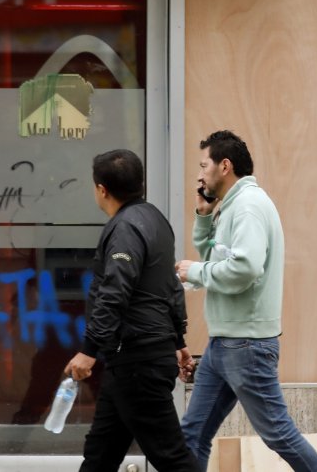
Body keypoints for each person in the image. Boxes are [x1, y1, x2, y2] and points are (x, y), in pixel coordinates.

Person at [175, 130, 317, 472]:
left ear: (224, 166)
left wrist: (195, 272)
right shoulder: (231, 207)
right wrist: (202, 217)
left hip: (246, 344)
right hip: (225, 343)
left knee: (278, 435)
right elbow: (217, 257)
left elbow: (244, 269)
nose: (199, 175)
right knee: (192, 434)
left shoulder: (247, 208)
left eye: (204, 165)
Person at [63, 149, 199, 472]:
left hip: (139, 361)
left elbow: (114, 293)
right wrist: (178, 340)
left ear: (102, 190)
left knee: (173, 458)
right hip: (133, 361)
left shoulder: (125, 229)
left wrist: (89, 350)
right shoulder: (156, 221)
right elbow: (170, 286)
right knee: (100, 456)